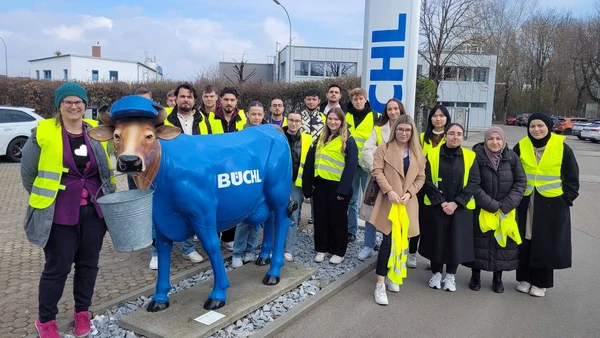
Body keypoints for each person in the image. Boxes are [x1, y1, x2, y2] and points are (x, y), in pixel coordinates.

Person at [20, 82, 116, 338]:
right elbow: (28, 174)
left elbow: (106, 168)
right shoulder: (42, 132)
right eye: (68, 102)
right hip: (59, 214)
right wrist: (50, 196)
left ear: (85, 105)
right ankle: (46, 320)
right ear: (59, 106)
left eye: (79, 102)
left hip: (94, 213)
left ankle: (82, 313)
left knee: (88, 264)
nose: (74, 106)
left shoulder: (96, 131)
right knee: (57, 268)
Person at [513, 113, 579, 297]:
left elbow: (572, 178)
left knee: (545, 243)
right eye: (533, 126)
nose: (536, 129)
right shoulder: (521, 145)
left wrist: (566, 199)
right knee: (525, 240)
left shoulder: (562, 147)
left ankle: (541, 282)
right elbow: (511, 170)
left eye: (540, 125)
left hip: (552, 204)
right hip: (526, 201)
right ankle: (524, 278)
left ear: (548, 126)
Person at [148, 83, 209, 269]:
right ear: (176, 98)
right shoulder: (164, 120)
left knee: (188, 211)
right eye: (182, 96)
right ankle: (156, 252)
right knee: (159, 212)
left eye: (189, 97)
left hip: (193, 174)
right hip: (167, 173)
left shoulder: (203, 120)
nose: (186, 100)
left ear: (194, 100)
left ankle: (188, 248)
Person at [370, 115, 425, 305]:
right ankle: (380, 283)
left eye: (407, 130)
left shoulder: (417, 153)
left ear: (412, 132)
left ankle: (394, 274)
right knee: (387, 242)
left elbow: (421, 178)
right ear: (395, 131)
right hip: (389, 202)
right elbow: (377, 171)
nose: (403, 133)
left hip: (407, 203)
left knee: (402, 243)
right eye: (400, 129)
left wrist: (410, 193)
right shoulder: (384, 149)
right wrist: (389, 191)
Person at [419, 123, 480, 292]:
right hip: (437, 206)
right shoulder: (432, 154)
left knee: (456, 242)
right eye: (451, 133)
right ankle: (436, 274)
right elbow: (426, 179)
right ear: (445, 136)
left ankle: (451, 276)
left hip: (461, 208)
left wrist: (457, 203)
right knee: (436, 241)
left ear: (463, 136)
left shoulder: (470, 156)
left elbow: (474, 182)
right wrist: (441, 202)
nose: (455, 137)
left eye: (459, 134)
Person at [468, 127, 526, 293]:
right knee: (479, 243)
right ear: (485, 140)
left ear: (504, 140)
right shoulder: (476, 157)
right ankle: (475, 275)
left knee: (502, 243)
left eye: (498, 139)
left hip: (506, 211)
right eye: (491, 138)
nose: (494, 142)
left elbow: (520, 182)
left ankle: (497, 278)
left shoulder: (512, 157)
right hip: (482, 209)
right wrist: (491, 204)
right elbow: (473, 184)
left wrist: (506, 205)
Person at [302, 107, 358, 264]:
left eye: (336, 119)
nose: (333, 122)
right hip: (320, 185)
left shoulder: (348, 141)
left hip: (338, 187)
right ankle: (321, 248)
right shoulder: (321, 138)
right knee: (320, 218)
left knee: (337, 220)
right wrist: (309, 185)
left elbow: (351, 167)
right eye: (330, 119)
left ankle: (338, 250)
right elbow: (311, 161)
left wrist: (343, 190)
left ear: (342, 121)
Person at [358, 98, 405, 260]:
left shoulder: (407, 128)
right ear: (386, 112)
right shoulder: (378, 129)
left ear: (401, 110)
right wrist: (375, 169)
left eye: (396, 109)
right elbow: (366, 150)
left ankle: (394, 245)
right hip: (377, 177)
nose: (393, 112)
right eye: (390, 109)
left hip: (399, 178)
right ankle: (369, 245)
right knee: (372, 211)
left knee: (396, 211)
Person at [411, 105, 452, 269]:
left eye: (442, 116)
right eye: (435, 116)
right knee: (418, 219)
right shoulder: (421, 137)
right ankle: (412, 252)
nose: (438, 118)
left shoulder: (450, 136)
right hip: (423, 184)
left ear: (447, 118)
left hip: (442, 186)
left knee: (436, 223)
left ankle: (432, 256)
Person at [207, 87, 246, 249]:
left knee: (233, 203)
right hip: (215, 168)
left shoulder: (243, 119)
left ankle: (229, 237)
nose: (229, 103)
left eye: (232, 100)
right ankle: (214, 236)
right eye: (226, 99)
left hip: (235, 169)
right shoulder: (209, 119)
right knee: (214, 204)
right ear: (220, 100)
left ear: (236, 101)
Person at [231, 101, 266, 268]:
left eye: (260, 114)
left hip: (261, 181)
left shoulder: (266, 135)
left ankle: (250, 250)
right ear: (247, 115)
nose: (257, 117)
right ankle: (237, 252)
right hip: (245, 181)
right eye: (254, 114)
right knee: (243, 219)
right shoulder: (241, 135)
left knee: (257, 219)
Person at [346, 88, 379, 244]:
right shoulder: (345, 115)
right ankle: (351, 231)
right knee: (352, 199)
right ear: (352, 100)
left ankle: (370, 237)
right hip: (351, 164)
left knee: (369, 202)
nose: (358, 102)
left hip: (368, 165)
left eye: (361, 98)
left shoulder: (375, 116)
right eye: (355, 99)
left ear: (366, 99)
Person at [283, 111, 313, 262]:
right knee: (277, 216)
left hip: (297, 183)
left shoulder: (307, 139)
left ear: (301, 123)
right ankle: (275, 246)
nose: (294, 123)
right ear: (287, 120)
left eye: (297, 121)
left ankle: (288, 249)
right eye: (291, 120)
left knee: (293, 217)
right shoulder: (280, 135)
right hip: (280, 183)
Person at [299, 88, 325, 225]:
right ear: (305, 100)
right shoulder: (298, 116)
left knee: (316, 190)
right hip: (300, 158)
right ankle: (296, 219)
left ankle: (315, 219)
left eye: (314, 99)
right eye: (308, 99)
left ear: (319, 101)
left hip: (317, 158)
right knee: (298, 188)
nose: (311, 101)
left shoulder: (324, 117)